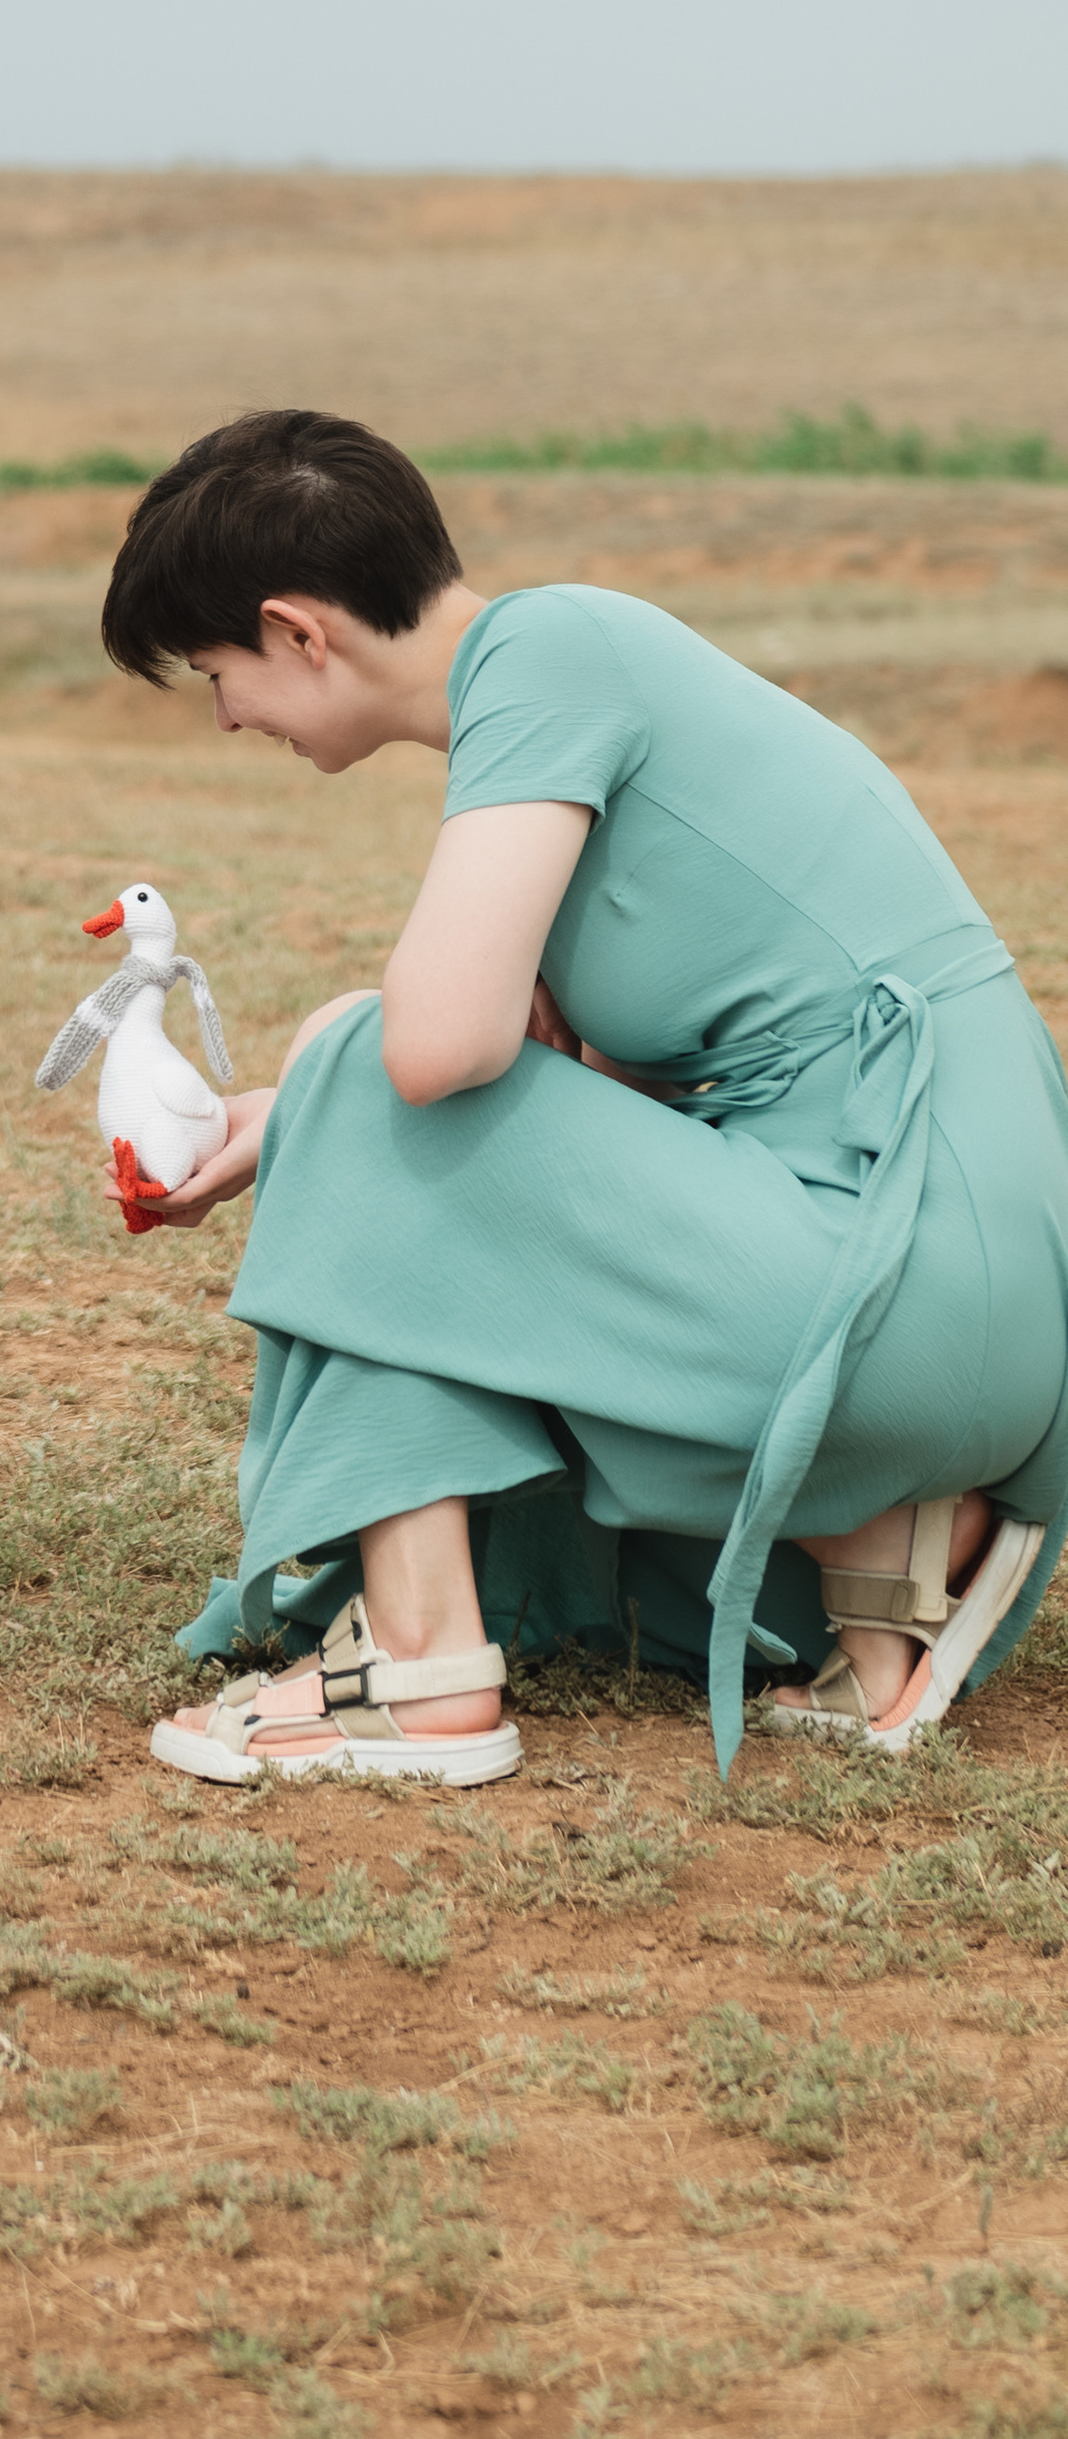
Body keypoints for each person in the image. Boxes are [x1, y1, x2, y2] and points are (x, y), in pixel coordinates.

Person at [93, 407, 1068, 1788]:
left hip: (894, 1268)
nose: (227, 713)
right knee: (346, 1073)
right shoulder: (580, 670)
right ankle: (892, 1568)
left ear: (300, 629)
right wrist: (272, 1120)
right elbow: (578, 1113)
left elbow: (430, 1055)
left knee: (369, 1063)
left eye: (218, 671)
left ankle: (420, 1667)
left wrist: (320, 1082)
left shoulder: (546, 655)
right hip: (977, 1273)